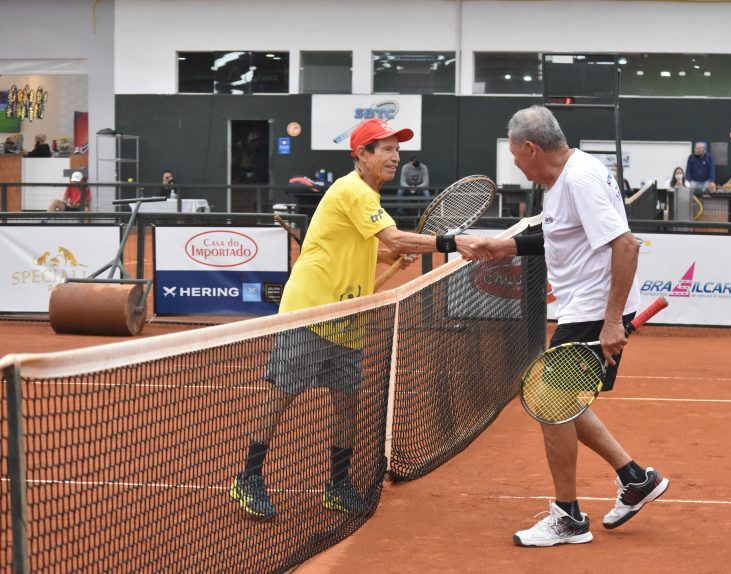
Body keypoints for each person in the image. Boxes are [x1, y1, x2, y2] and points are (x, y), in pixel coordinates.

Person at [229, 118, 482, 520]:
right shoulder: (353, 190)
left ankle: (338, 484)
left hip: (348, 317)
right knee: (282, 395)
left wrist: (390, 254)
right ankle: (248, 477)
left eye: (397, 150)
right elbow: (394, 237)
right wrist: (451, 241)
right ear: (361, 155)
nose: (395, 157)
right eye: (386, 150)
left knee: (347, 401)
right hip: (311, 310)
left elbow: (366, 246)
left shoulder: (368, 196)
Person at [457, 105, 669, 547]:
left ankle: (569, 517)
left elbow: (626, 245)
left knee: (548, 402)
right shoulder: (564, 179)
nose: (516, 163)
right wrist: (506, 246)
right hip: (583, 308)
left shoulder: (579, 179)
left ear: (531, 148)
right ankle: (635, 479)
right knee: (562, 401)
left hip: (594, 309)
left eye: (515, 155)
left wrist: (612, 322)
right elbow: (560, 237)